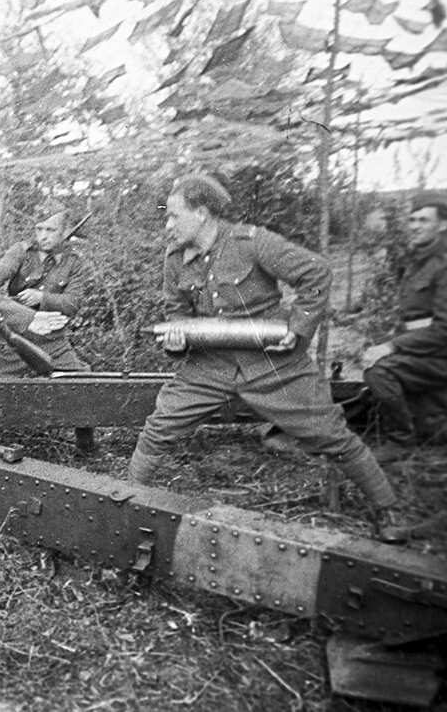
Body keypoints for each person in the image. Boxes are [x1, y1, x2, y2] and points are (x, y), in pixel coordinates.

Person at [126, 173, 412, 542]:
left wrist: (298, 328)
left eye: (173, 215)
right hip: (210, 366)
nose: (167, 225)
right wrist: (178, 339)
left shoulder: (252, 242)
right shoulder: (176, 260)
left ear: (201, 212)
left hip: (273, 363)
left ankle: (386, 510)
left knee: (330, 435)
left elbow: (316, 273)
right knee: (159, 427)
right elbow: (175, 312)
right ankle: (129, 503)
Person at [0, 199, 95, 449]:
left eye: (50, 230)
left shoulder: (75, 262)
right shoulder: (21, 252)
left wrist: (43, 298)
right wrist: (12, 308)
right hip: (13, 337)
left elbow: (73, 303)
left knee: (82, 386)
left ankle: (86, 447)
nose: (43, 236)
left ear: (64, 232)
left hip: (53, 340)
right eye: (39, 229)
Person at [362, 192, 447, 453]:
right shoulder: (421, 261)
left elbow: (443, 330)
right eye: (412, 220)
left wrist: (391, 347)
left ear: (443, 225)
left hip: (439, 352)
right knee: (433, 434)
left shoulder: (443, 264)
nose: (415, 226)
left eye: (423, 220)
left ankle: (400, 441)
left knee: (380, 372)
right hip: (425, 350)